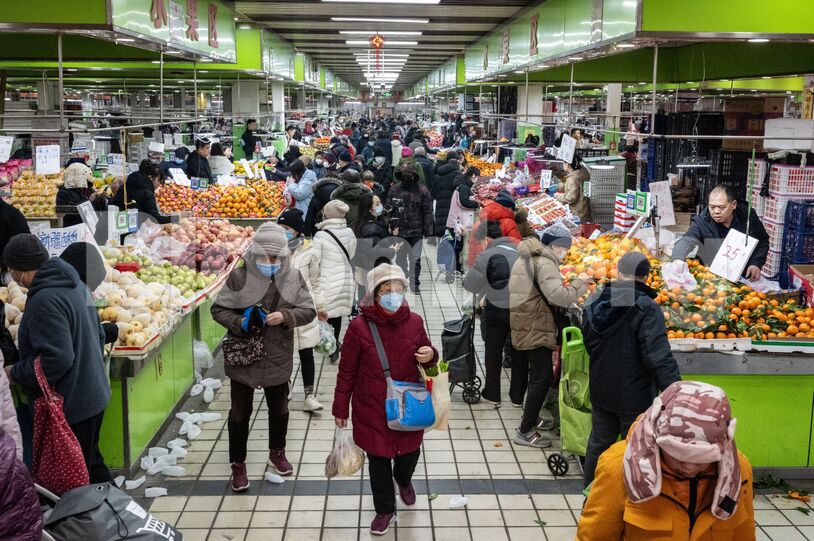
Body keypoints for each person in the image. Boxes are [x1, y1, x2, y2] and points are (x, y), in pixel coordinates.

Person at [333, 263, 438, 536]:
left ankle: (403, 480)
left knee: (409, 454)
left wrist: (431, 355)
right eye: (387, 290)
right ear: (375, 294)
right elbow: (346, 371)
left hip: (408, 406)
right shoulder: (358, 327)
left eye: (398, 289)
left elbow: (429, 359)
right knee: (378, 460)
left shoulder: (415, 322)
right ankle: (384, 510)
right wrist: (340, 407)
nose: (394, 294)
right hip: (372, 407)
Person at [577, 381, 756, 541]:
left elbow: (744, 535)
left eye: (702, 459)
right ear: (657, 436)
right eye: (678, 455)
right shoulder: (619, 467)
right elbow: (594, 536)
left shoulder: (739, 471)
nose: (689, 466)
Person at [211, 223, 316, 491]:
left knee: (279, 409)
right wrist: (240, 322)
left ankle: (277, 452)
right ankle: (238, 463)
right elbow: (218, 309)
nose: (269, 262)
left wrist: (287, 316)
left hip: (277, 353)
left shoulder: (292, 277)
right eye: (263, 256)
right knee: (238, 414)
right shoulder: (239, 278)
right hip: (243, 356)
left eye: (274, 257)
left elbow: (308, 310)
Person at [3, 234, 112, 483]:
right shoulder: (75, 283)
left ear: (20, 269)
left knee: (77, 478)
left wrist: (15, 372)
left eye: (11, 269)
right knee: (92, 467)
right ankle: (122, 515)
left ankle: (104, 518)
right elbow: (99, 332)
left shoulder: (44, 299)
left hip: (72, 402)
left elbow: (58, 359)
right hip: (93, 392)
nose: (11, 275)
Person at [581, 252, 681, 487]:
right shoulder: (645, 307)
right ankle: (627, 499)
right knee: (634, 446)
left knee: (598, 442)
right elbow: (657, 356)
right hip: (634, 394)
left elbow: (589, 342)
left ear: (618, 271)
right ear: (646, 277)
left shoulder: (595, 300)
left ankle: (591, 494)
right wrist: (675, 390)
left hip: (601, 386)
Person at [508, 222, 588, 447]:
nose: (566, 253)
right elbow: (558, 296)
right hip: (535, 323)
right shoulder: (544, 262)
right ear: (556, 246)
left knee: (537, 374)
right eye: (565, 248)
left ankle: (531, 418)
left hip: (525, 319)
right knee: (542, 376)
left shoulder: (528, 254)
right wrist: (579, 283)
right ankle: (525, 430)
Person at [463, 221, 519, 405]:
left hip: (497, 311)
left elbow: (471, 284)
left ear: (487, 239)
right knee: (519, 351)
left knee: (493, 351)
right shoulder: (520, 251)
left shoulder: (487, 255)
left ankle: (493, 394)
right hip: (521, 310)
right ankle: (518, 396)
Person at [277, 209, 324, 413]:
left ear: (296, 231)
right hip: (281, 308)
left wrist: (320, 306)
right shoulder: (271, 250)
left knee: (306, 352)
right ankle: (284, 389)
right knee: (283, 351)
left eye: (286, 228)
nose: (283, 231)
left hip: (304, 308)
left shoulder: (310, 250)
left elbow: (316, 281)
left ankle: (309, 395)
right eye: (280, 227)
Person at [672, 185, 769, 281]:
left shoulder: (747, 217)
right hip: (709, 278)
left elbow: (762, 241)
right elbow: (687, 240)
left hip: (742, 277)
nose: (716, 211)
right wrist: (677, 259)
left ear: (734, 205)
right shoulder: (702, 221)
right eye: (712, 207)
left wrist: (756, 263)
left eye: (721, 207)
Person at [311, 200, 357, 363]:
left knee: (326, 313)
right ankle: (335, 343)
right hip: (345, 277)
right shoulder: (350, 232)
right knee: (337, 314)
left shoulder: (321, 235)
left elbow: (315, 261)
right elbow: (351, 254)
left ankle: (332, 345)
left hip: (327, 278)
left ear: (327, 214)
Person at [468, 190, 522, 267]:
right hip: (499, 268)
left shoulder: (478, 223)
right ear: (509, 208)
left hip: (478, 267)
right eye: (513, 209)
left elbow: (472, 250)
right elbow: (517, 248)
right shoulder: (508, 222)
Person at [110, 159, 171, 225]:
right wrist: (177, 217)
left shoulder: (129, 183)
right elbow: (156, 218)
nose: (159, 184)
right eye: (159, 181)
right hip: (121, 229)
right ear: (150, 178)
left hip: (110, 223)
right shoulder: (146, 192)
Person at [447, 165, 481, 271]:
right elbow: (464, 202)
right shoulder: (464, 187)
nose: (477, 179)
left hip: (457, 220)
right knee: (457, 245)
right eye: (477, 176)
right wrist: (477, 204)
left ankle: (456, 266)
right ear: (473, 175)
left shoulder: (463, 186)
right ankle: (455, 267)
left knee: (457, 244)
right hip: (457, 221)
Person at [56, 163, 107, 227]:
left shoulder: (88, 189)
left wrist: (101, 199)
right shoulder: (64, 193)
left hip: (90, 226)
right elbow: (68, 212)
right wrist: (89, 200)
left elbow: (98, 209)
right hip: (75, 227)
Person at [304, 156, 342, 236]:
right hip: (338, 229)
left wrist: (307, 235)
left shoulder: (316, 195)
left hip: (318, 229)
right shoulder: (341, 195)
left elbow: (309, 217)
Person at [554, 154, 591, 224]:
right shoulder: (581, 172)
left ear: (568, 165)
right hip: (584, 208)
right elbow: (570, 185)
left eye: (564, 163)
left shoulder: (573, 179)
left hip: (577, 213)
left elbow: (570, 198)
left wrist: (557, 196)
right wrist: (558, 186)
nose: (563, 165)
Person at [432, 153, 461, 238]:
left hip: (440, 203)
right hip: (453, 204)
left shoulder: (438, 174)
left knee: (441, 225)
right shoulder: (458, 174)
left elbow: (433, 192)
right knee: (450, 228)